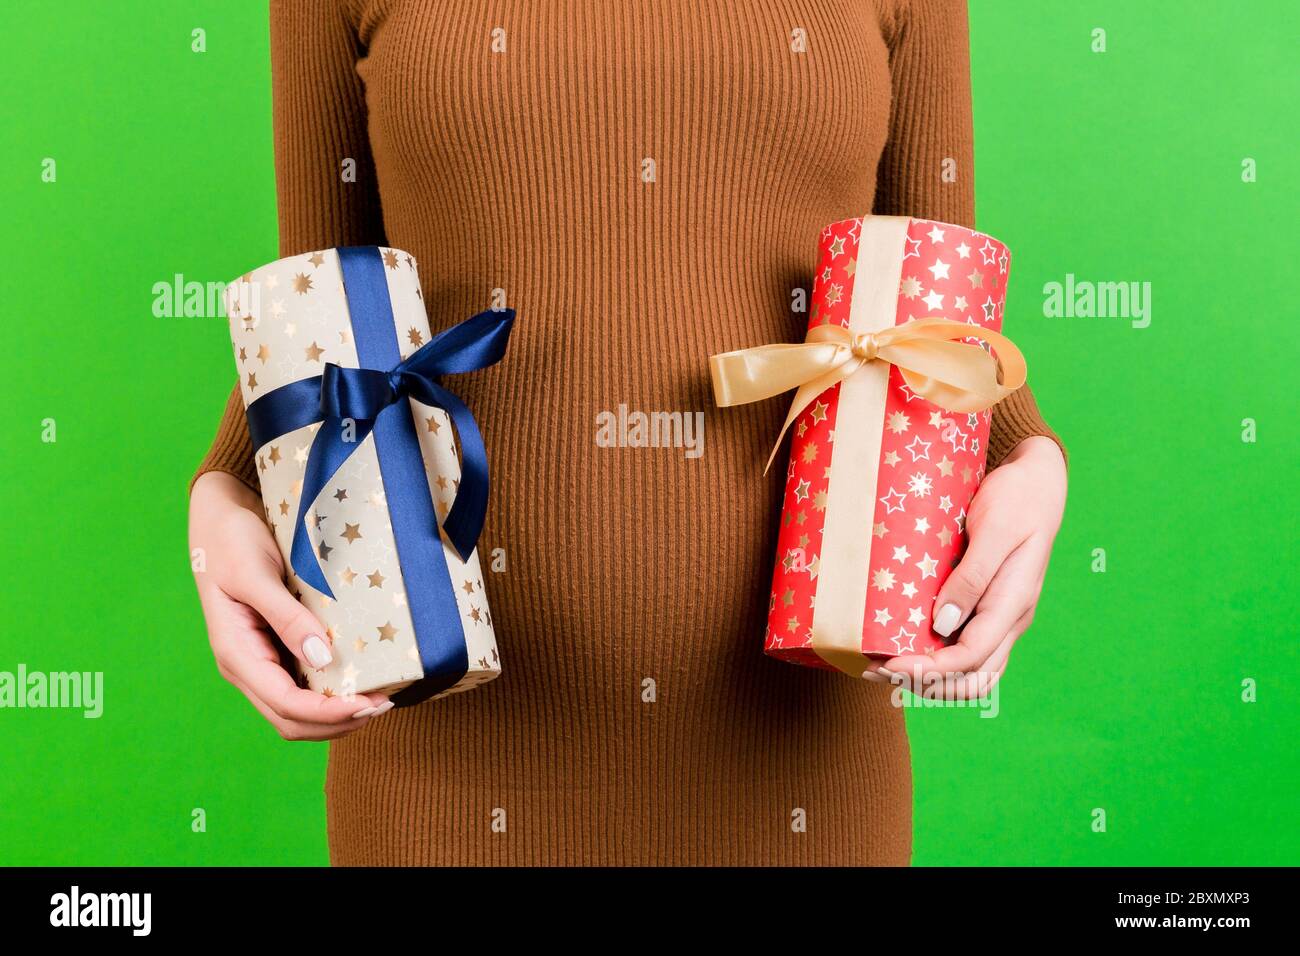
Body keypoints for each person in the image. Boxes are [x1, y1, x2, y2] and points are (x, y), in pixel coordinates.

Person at [189, 0, 1068, 865]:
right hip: (443, 776)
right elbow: (319, 312)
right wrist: (224, 490)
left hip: (804, 780)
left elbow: (936, 305)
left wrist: (1027, 455)